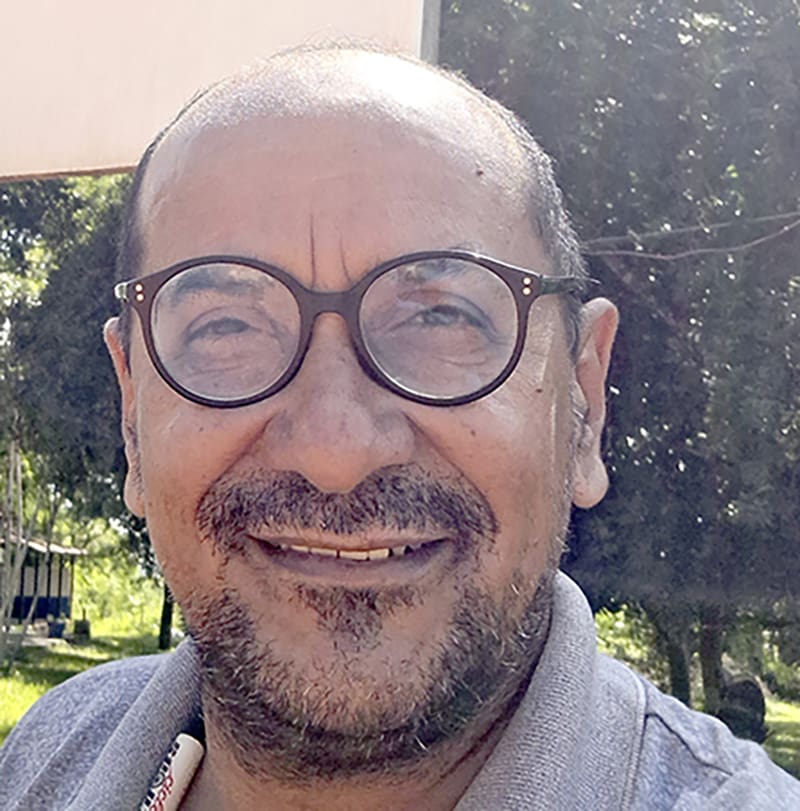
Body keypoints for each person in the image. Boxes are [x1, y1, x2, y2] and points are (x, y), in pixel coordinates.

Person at [1, 45, 798, 811]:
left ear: (583, 403)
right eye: (226, 327)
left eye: (441, 317)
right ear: (132, 416)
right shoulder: (48, 757)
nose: (335, 450)